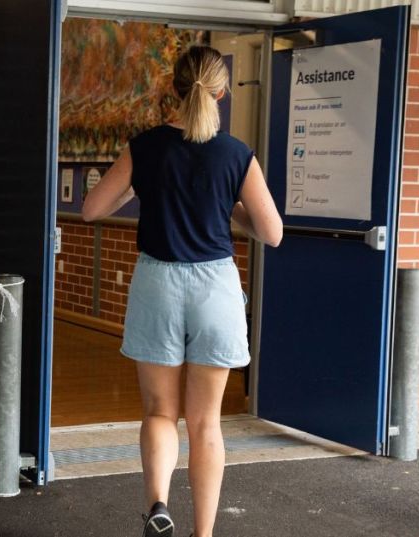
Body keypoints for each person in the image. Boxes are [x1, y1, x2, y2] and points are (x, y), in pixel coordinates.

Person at [82, 45, 283, 537]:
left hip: (158, 282)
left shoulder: (144, 147)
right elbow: (271, 232)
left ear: (173, 88)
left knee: (159, 413)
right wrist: (225, 210)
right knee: (206, 423)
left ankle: (158, 504)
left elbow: (90, 209)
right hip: (214, 285)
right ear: (221, 92)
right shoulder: (237, 154)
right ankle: (203, 534)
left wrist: (138, 190)